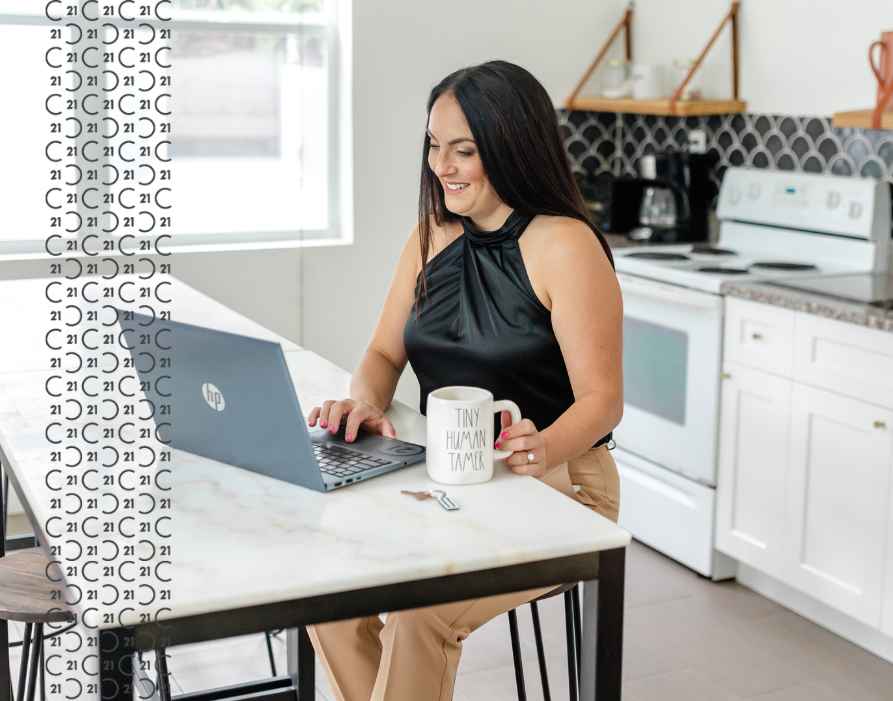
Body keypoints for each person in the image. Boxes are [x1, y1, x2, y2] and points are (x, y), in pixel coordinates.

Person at [305, 59, 623, 701]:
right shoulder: (429, 236)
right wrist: (362, 404)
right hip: (446, 478)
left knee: (423, 613)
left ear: (510, 146)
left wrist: (541, 448)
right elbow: (381, 353)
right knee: (323, 588)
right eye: (433, 145)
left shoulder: (565, 245)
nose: (440, 166)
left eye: (463, 150)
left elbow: (603, 400)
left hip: (559, 488)